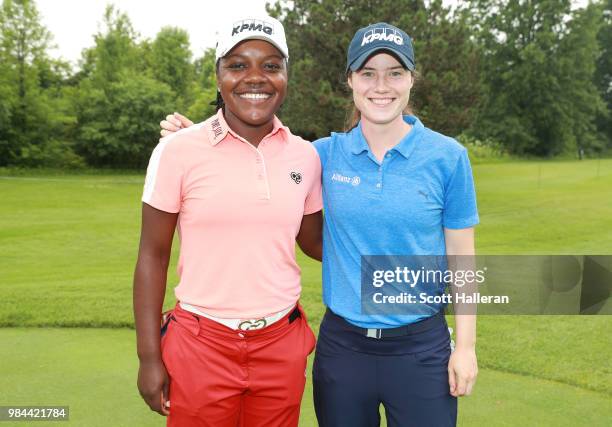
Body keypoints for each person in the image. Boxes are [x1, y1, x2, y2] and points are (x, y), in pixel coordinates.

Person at [161, 22, 478, 427]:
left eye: (395, 73)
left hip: (420, 347)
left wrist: (465, 347)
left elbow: (462, 259)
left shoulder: (448, 157)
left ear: (412, 79)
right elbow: (263, 157)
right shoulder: (321, 155)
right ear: (351, 80)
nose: (381, 86)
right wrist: (200, 138)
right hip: (344, 349)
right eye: (368, 73)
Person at [134, 14, 323, 427]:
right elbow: (152, 255)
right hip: (201, 342)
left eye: (271, 66)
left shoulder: (305, 156)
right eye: (238, 65)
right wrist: (149, 357)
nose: (255, 77)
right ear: (218, 76)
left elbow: (318, 243)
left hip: (280, 341)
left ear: (286, 76)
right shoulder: (177, 151)